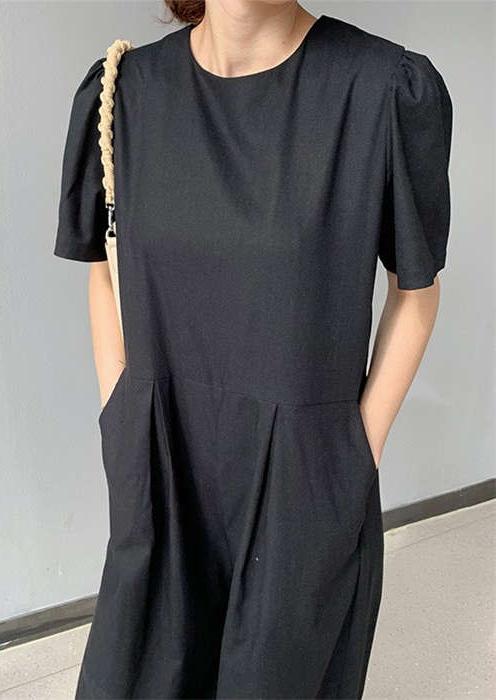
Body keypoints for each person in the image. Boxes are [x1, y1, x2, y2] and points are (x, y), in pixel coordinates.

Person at [53, 1, 453, 697]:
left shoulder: (380, 88)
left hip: (301, 485)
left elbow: (416, 291)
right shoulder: (125, 91)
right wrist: (122, 415)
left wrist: (350, 451)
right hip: (162, 469)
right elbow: (105, 269)